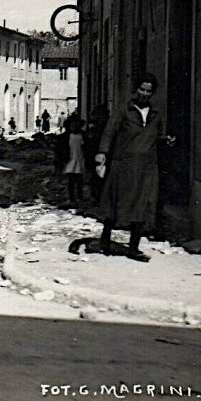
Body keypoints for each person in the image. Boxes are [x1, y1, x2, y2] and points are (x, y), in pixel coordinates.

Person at [92, 73, 173, 262]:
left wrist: (166, 140)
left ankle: (134, 248)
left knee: (142, 204)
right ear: (135, 89)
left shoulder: (155, 114)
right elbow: (109, 133)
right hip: (123, 164)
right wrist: (102, 153)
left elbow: (157, 136)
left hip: (147, 167)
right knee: (115, 202)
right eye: (141, 89)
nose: (144, 93)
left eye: (148, 91)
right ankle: (105, 240)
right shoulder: (124, 110)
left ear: (152, 93)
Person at [62, 116, 86, 205]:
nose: (74, 126)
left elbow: (87, 147)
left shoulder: (82, 135)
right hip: (70, 160)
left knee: (79, 180)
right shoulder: (67, 136)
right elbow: (62, 148)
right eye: (72, 124)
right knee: (71, 180)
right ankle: (72, 198)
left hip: (80, 159)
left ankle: (80, 197)